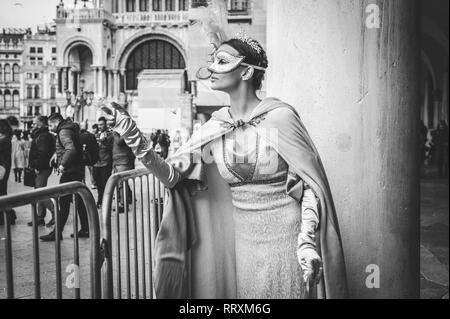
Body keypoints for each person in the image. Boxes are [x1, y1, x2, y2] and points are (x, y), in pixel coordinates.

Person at [100, 33, 348, 299]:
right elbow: (172, 176)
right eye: (212, 61)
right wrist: (130, 131)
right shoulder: (215, 127)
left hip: (287, 241)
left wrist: (307, 241)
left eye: (222, 61)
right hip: (243, 244)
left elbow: (309, 186)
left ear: (246, 72)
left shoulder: (280, 118)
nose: (212, 69)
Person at [40, 113, 89, 241]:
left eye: (51, 125)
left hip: (70, 171)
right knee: (78, 202)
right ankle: (85, 228)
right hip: (76, 170)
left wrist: (62, 165)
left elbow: (71, 149)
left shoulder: (63, 131)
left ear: (56, 123)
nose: (50, 128)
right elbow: (67, 147)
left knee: (64, 202)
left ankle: (57, 233)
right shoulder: (69, 128)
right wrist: (57, 154)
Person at [27, 116, 56, 227]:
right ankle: (40, 217)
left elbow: (43, 153)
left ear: (41, 123)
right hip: (42, 167)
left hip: (42, 167)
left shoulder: (43, 136)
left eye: (34, 123)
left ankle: (55, 213)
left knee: (40, 192)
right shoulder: (40, 134)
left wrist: (37, 166)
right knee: (38, 190)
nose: (32, 125)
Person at [110, 124, 136, 212]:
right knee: (119, 184)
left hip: (123, 162)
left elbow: (119, 142)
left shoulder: (124, 132)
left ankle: (123, 205)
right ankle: (122, 202)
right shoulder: (121, 132)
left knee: (122, 184)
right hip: (118, 162)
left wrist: (115, 133)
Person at [93, 117, 113, 208]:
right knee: (98, 185)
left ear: (105, 124)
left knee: (105, 184)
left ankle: (106, 202)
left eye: (101, 124)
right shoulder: (96, 135)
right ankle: (100, 200)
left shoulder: (110, 135)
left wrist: (104, 141)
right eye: (99, 124)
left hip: (106, 163)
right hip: (96, 163)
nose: (100, 126)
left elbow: (111, 149)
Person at [0, 119, 16, 225]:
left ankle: (7, 217)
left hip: (2, 169)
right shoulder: (5, 139)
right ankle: (7, 216)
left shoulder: (4, 140)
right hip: (3, 168)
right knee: (2, 193)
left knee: (2, 193)